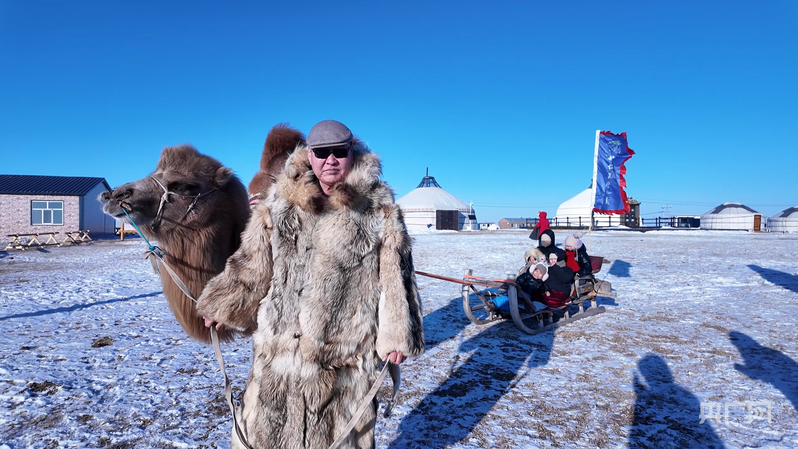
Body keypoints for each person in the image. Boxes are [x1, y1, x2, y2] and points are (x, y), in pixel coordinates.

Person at [196, 120, 425, 449]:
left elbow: (395, 277)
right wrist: (227, 302)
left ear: (351, 153)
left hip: (343, 361)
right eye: (321, 152)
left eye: (338, 152)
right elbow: (254, 258)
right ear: (309, 156)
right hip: (280, 356)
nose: (330, 160)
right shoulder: (281, 202)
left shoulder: (379, 208)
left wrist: (396, 335)